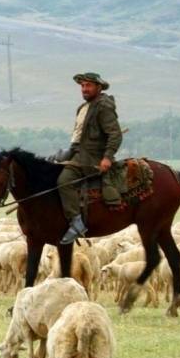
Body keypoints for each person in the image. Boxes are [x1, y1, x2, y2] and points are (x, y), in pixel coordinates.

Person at [53, 73, 122, 244]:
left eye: (88, 85)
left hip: (91, 159)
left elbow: (115, 134)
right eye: (82, 86)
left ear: (98, 87)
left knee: (64, 181)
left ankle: (77, 223)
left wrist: (107, 157)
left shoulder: (103, 106)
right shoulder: (83, 107)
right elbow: (78, 137)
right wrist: (67, 153)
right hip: (77, 152)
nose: (84, 89)